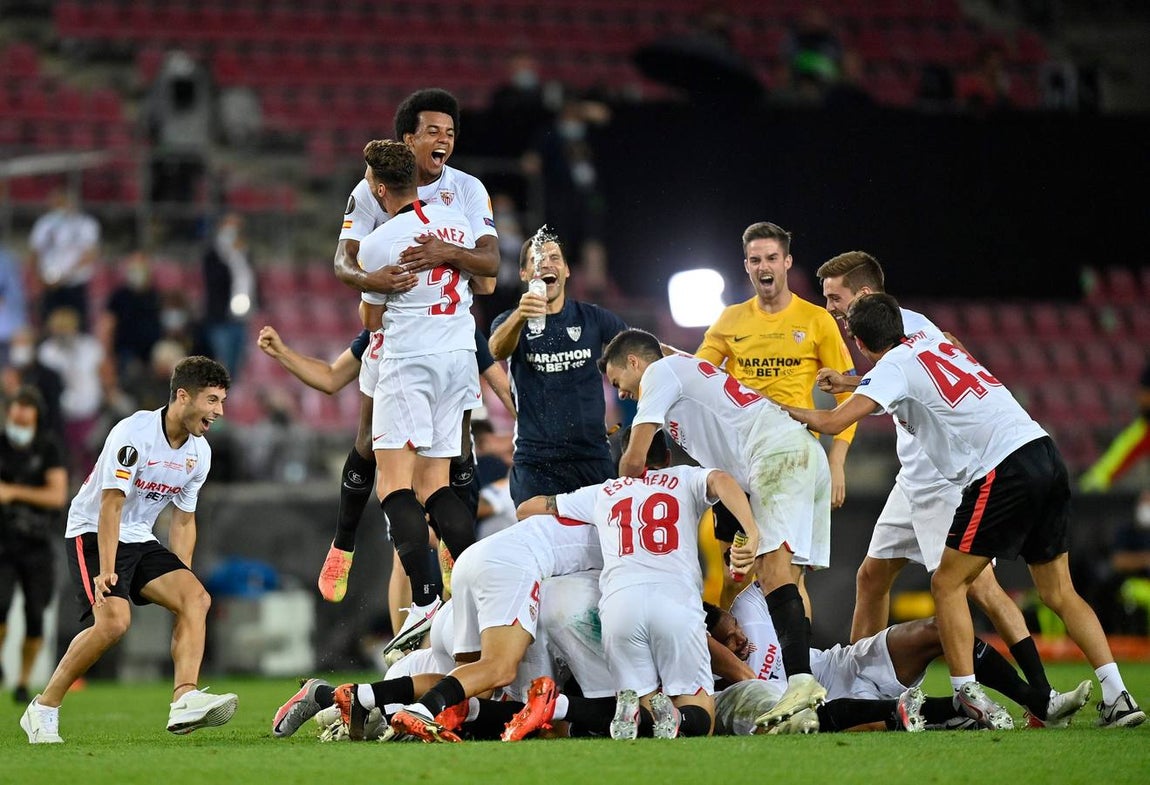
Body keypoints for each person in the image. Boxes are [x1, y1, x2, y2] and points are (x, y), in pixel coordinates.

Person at [785, 293, 1145, 729]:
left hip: (1001, 467)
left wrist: (772, 408)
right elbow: (921, 369)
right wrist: (849, 382)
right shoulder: (930, 340)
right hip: (1043, 450)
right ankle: (1118, 696)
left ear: (859, 341)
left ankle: (967, 691)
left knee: (948, 583)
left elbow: (831, 423)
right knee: (1058, 592)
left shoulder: (893, 366)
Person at [814, 251, 1067, 726]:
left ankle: (1040, 697)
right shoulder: (901, 328)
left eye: (835, 296)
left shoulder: (905, 327)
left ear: (864, 295)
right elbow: (907, 378)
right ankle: (862, 684)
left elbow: (922, 376)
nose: (829, 306)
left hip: (941, 479)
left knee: (980, 589)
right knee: (871, 577)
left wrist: (845, 391)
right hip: (910, 479)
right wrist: (851, 381)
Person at [600, 328, 830, 730]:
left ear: (634, 363)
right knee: (787, 578)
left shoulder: (660, 374)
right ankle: (801, 693)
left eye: (618, 381)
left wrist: (620, 491)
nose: (620, 393)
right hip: (796, 453)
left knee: (773, 574)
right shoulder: (684, 370)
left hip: (774, 455)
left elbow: (633, 461)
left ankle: (799, 682)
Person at [323, 88, 499, 609]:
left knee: (396, 480)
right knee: (413, 465)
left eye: (450, 132)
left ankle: (426, 599)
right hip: (448, 347)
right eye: (433, 132)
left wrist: (389, 277)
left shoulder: (466, 190)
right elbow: (344, 261)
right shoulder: (424, 209)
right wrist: (379, 274)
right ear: (409, 139)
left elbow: (487, 269)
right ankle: (345, 544)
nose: (443, 140)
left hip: (410, 347)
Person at [19, 356, 236, 744]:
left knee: (196, 599)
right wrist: (105, 570)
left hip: (139, 535)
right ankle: (43, 708)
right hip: (92, 531)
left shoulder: (199, 453)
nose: (219, 411)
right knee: (114, 624)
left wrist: (181, 579)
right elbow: (110, 505)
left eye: (222, 401)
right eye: (212, 400)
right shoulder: (133, 433)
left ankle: (184, 697)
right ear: (183, 396)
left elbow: (184, 520)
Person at [518, 429, 755, 738]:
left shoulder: (604, 492)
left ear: (624, 459)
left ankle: (637, 711)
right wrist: (750, 529)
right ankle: (678, 718)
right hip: (674, 602)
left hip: (619, 607)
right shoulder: (684, 478)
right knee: (698, 712)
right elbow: (722, 479)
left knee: (644, 715)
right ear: (667, 458)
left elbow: (528, 508)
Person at [356, 138, 498, 655]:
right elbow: (486, 277)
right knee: (437, 484)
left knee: (393, 484)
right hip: (459, 357)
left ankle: (425, 599)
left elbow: (371, 320)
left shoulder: (378, 244)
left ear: (377, 186)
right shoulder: (457, 223)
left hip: (410, 362)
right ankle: (487, 586)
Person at [708, 592, 1091, 735]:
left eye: (738, 629)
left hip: (840, 666)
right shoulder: (718, 688)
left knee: (939, 629)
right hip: (824, 710)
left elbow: (791, 585)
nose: (743, 640)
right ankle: (951, 712)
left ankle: (1036, 702)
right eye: (729, 640)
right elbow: (736, 672)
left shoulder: (746, 605)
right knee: (863, 721)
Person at [385, 513, 603, 742]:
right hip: (510, 565)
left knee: (478, 690)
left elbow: (528, 507)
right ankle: (422, 711)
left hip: (473, 559)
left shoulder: (587, 502)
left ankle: (369, 696)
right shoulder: (612, 515)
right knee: (501, 668)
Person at [697, 221, 856, 510]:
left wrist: (836, 462)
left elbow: (848, 399)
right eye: (755, 260)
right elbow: (697, 376)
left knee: (783, 553)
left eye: (771, 258)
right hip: (737, 453)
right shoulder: (729, 319)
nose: (763, 266)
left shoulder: (817, 320)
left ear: (787, 262)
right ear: (746, 265)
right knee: (732, 555)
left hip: (793, 451)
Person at [489, 231, 628, 506]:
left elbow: (634, 350)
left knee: (597, 545)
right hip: (535, 461)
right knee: (537, 544)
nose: (546, 264)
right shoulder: (509, 321)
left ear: (566, 270)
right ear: (524, 273)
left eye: (554, 258)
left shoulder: (594, 318)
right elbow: (496, 349)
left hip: (591, 456)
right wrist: (520, 314)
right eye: (537, 260)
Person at [0, 387, 67, 704]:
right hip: (2, 544)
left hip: (37, 544)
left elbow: (56, 496)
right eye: (16, 412)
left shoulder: (48, 449)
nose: (20, 420)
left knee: (35, 616)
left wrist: (13, 492)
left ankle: (23, 681)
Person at [27, 190, 100, 329]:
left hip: (75, 284)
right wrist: (39, 278)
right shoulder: (44, 224)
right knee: (48, 325)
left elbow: (90, 255)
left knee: (79, 325)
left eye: (62, 203)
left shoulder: (86, 224)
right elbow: (34, 253)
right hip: (49, 284)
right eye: (56, 203)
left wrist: (64, 276)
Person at [202, 212, 256, 382]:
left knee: (236, 367)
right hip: (220, 319)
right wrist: (229, 256)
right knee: (221, 364)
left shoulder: (245, 254)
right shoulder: (213, 255)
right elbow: (215, 282)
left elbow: (250, 280)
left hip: (240, 319)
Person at [1080, 362, 1150, 493]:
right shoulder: (1141, 431)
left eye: (1144, 392)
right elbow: (1107, 469)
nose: (1139, 399)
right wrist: (1086, 490)